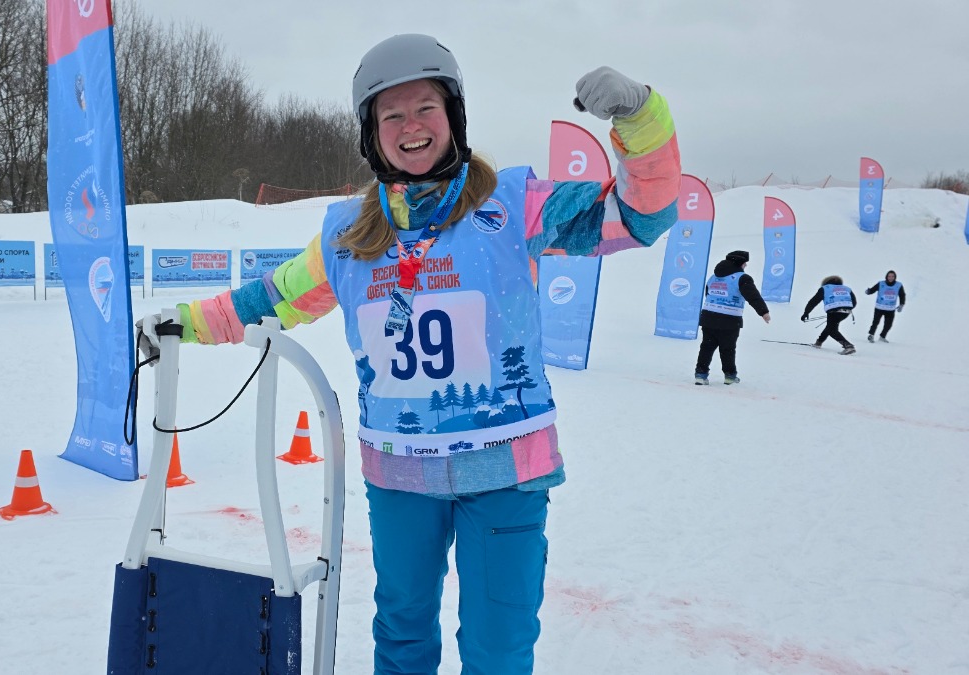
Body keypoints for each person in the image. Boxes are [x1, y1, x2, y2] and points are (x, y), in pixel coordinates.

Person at [138, 33, 680, 674]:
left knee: (498, 647)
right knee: (402, 639)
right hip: (400, 476)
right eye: (390, 114)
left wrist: (641, 119)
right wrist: (186, 324)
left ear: (452, 117)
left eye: (425, 107)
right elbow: (272, 298)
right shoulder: (349, 236)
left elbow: (642, 215)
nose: (410, 126)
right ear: (372, 135)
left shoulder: (514, 204)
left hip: (504, 472)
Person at [693, 250, 771, 385]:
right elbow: (752, 296)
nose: (745, 266)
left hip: (709, 317)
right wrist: (763, 311)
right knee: (727, 348)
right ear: (739, 263)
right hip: (729, 319)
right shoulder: (742, 278)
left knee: (707, 346)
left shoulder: (713, 277)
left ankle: (700, 374)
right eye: (745, 263)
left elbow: (708, 294)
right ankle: (730, 376)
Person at [802, 275, 857, 355]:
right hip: (846, 312)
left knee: (832, 330)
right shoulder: (847, 289)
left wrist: (806, 312)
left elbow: (813, 301)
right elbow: (854, 302)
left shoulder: (825, 288)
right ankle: (819, 342)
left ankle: (848, 346)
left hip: (833, 311)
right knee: (830, 327)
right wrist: (845, 308)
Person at [865, 270, 906, 343]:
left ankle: (882, 336)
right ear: (886, 277)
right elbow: (872, 290)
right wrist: (868, 291)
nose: (891, 278)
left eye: (892, 276)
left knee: (888, 325)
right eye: (889, 276)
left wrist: (901, 304)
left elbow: (902, 295)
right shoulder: (881, 284)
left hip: (890, 309)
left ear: (895, 277)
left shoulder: (898, 285)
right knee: (875, 322)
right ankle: (871, 335)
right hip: (879, 307)